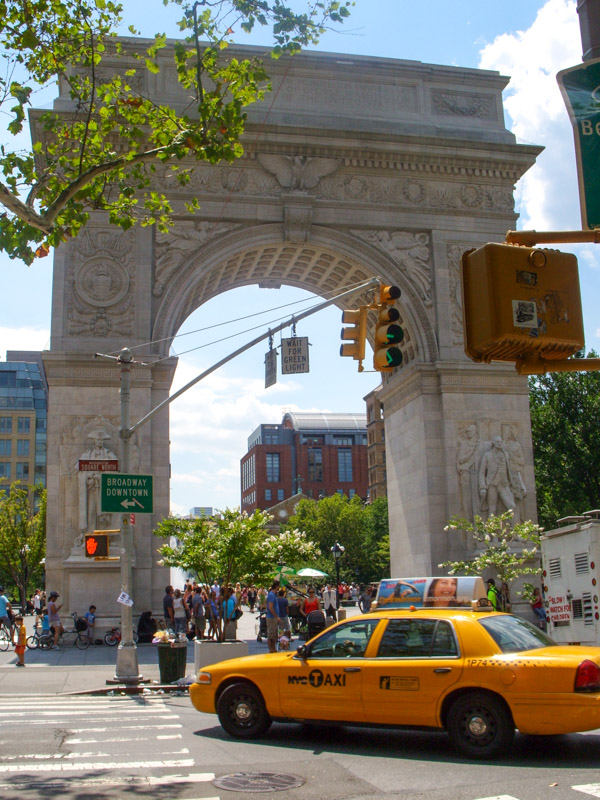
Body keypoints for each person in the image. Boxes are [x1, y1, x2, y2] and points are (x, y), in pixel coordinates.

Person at [266, 580, 281, 653]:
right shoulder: (271, 595)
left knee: (274, 634)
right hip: (272, 617)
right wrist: (276, 616)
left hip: (273, 617)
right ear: (277, 586)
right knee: (271, 634)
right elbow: (270, 607)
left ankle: (273, 648)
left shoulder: (273, 595)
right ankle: (271, 649)